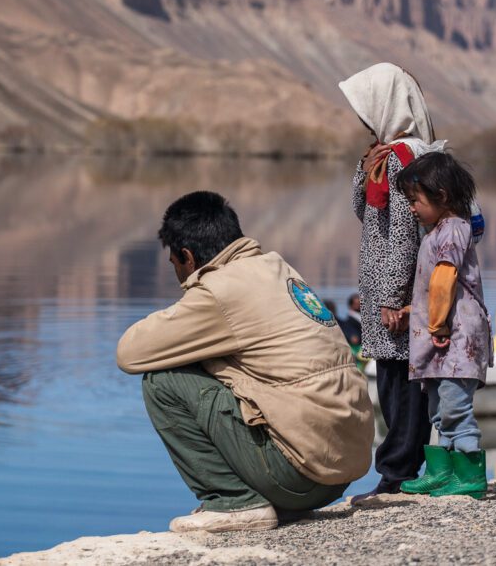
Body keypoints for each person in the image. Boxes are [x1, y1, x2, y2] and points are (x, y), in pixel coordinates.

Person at [116, 191, 374, 533]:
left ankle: (234, 502)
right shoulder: (279, 268)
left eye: (174, 262)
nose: (177, 272)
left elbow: (129, 353)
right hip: (342, 470)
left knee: (162, 382)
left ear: (187, 257)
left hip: (302, 475)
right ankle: (273, 500)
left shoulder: (219, 290)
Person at [339, 62, 446, 500]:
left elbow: (400, 230)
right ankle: (404, 470)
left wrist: (392, 297)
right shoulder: (402, 154)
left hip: (397, 290)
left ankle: (396, 477)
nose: (364, 121)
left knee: (399, 382)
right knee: (404, 380)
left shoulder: (404, 159)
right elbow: (366, 212)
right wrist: (364, 170)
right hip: (395, 286)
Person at [394, 152, 492, 498]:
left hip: (454, 336)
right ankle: (442, 471)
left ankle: (469, 476)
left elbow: (444, 281)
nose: (411, 208)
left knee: (454, 407)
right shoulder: (438, 232)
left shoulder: (454, 230)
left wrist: (436, 325)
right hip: (442, 335)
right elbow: (432, 288)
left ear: (441, 196)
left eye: (415, 200)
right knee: (439, 407)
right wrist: (414, 311)